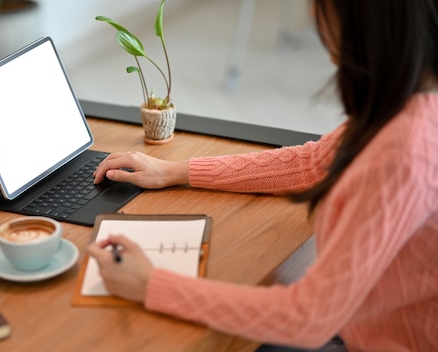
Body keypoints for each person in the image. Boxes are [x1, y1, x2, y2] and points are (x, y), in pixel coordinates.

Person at [87, 1, 438, 351]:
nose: (312, 13)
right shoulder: (407, 106)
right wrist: (176, 170)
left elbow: (309, 317)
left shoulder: (403, 149)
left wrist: (150, 284)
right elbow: (314, 163)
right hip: (363, 324)